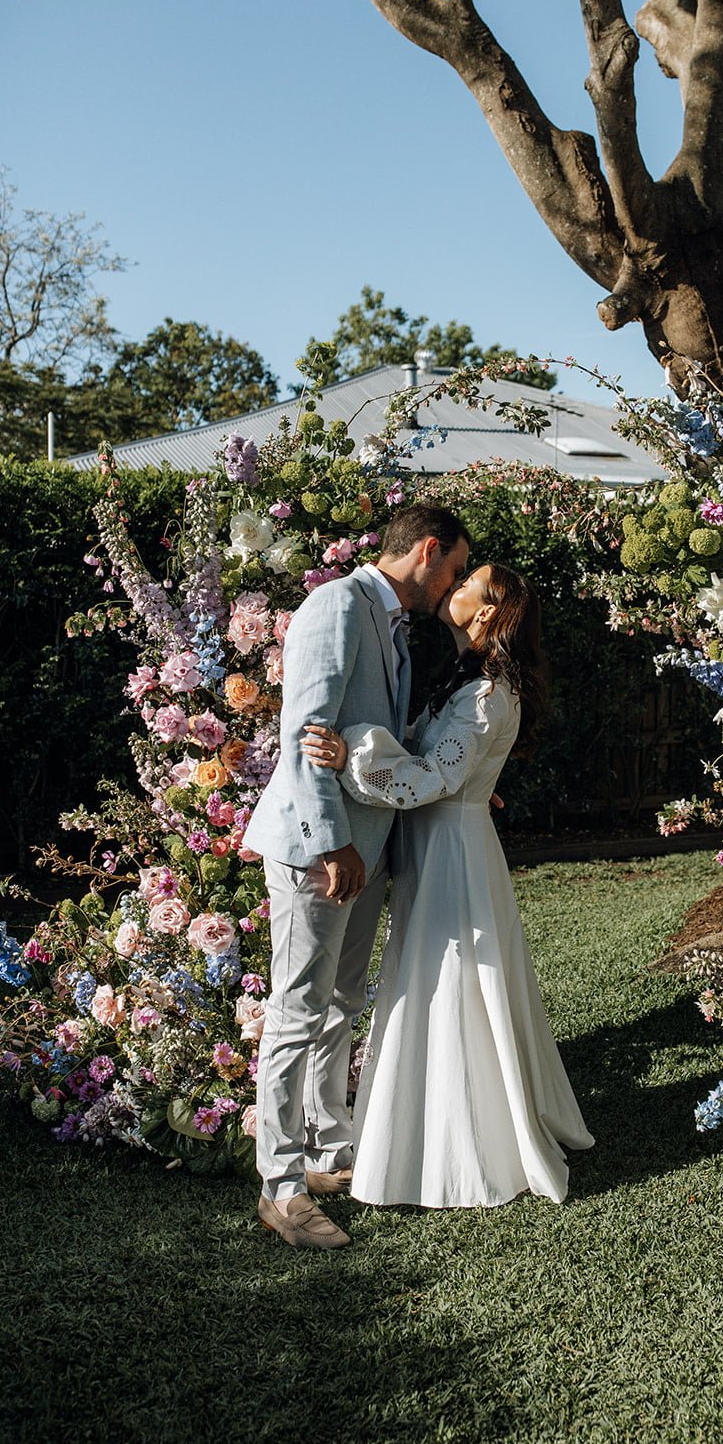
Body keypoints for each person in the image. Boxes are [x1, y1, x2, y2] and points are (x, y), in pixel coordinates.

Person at [301, 563, 593, 1208]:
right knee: (435, 975)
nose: (451, 587)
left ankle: (463, 1142)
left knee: (452, 979)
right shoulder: (467, 681)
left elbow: (432, 777)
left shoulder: (486, 693)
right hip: (438, 842)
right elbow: (442, 763)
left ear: (485, 613)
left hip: (453, 853)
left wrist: (352, 757)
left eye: (467, 584)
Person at [243, 503, 471, 1249]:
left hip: (365, 847)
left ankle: (326, 1151)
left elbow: (378, 738)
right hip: (321, 850)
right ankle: (279, 1189)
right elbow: (304, 734)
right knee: (297, 1009)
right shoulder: (337, 604)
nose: (455, 585)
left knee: (341, 1001)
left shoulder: (395, 623)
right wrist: (332, 845)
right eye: (455, 569)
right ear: (428, 551)